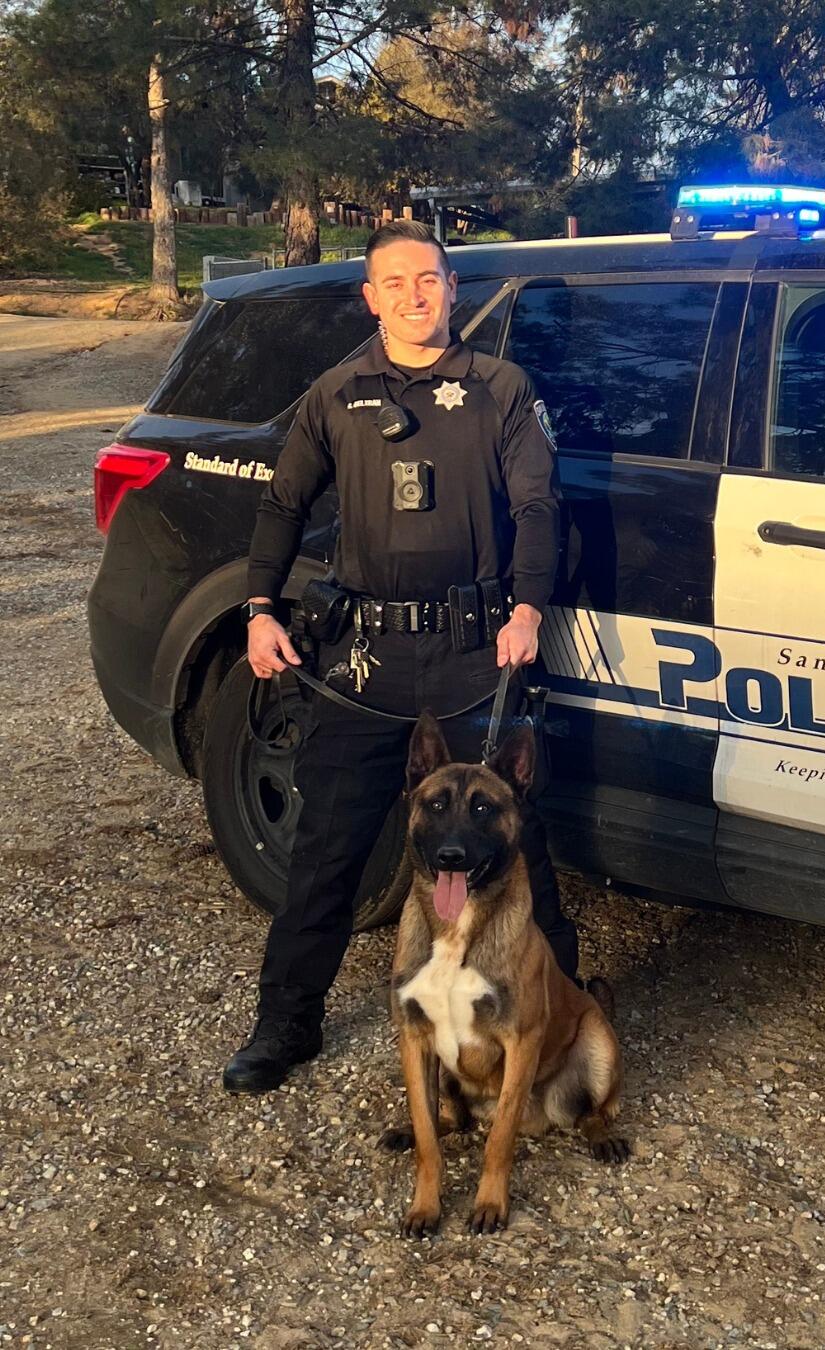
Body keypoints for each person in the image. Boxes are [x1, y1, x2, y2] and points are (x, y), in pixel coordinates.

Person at [223, 220, 579, 1094]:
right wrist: (260, 609)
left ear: (452, 289)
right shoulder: (336, 395)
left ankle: (561, 1023)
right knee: (327, 851)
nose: (414, 297)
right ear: (369, 296)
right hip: (364, 661)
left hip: (473, 651)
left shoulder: (500, 388)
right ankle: (286, 1024)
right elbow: (281, 506)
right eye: (395, 284)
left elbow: (539, 510)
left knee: (520, 849)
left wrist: (528, 607)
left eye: (429, 280)